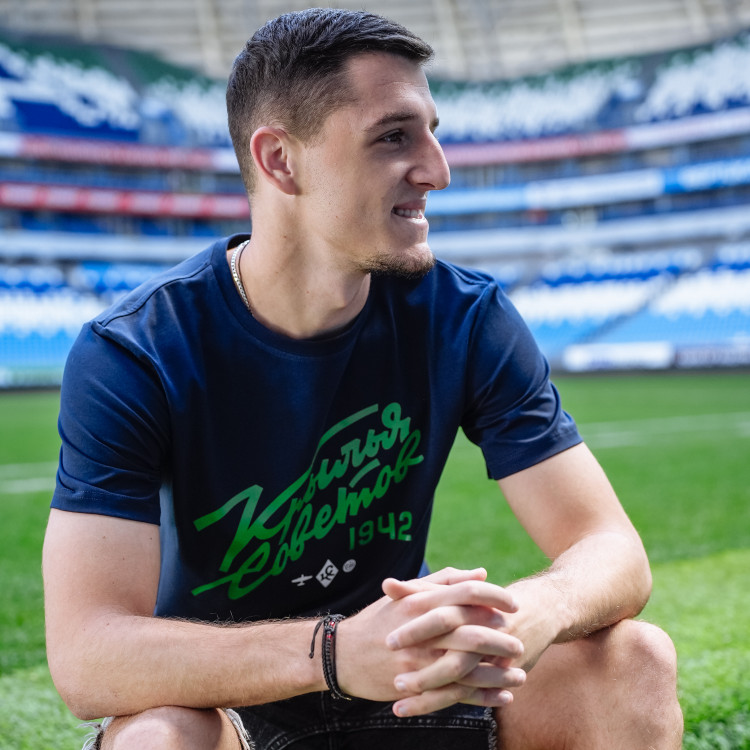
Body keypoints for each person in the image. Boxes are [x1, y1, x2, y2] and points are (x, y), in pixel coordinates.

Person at [43, 8, 683, 750]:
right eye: (393, 137)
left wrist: (532, 611)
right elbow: (87, 655)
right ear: (281, 161)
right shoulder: (137, 349)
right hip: (235, 698)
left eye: (432, 133)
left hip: (409, 680)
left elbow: (612, 548)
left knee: (633, 662)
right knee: (157, 739)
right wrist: (336, 652)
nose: (438, 170)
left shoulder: (463, 315)